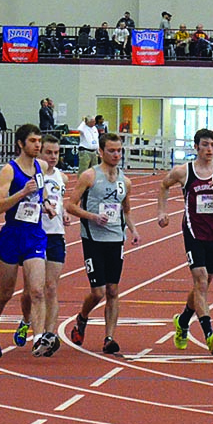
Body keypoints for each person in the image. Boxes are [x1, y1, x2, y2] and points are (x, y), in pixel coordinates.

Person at [0, 124, 55, 358]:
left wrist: (47, 205)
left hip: (34, 234)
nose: (38, 145)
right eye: (33, 141)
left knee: (37, 290)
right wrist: (22, 193)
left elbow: (41, 191)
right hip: (11, 235)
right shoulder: (9, 170)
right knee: (6, 292)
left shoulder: (41, 166)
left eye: (39, 141)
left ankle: (38, 339)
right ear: (21, 144)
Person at [67, 133, 141, 354]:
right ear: (101, 152)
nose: (116, 154)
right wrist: (92, 217)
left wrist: (134, 230)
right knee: (97, 292)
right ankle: (82, 317)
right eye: (111, 150)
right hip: (93, 239)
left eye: (119, 150)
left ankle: (109, 338)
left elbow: (126, 210)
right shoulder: (89, 176)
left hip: (115, 239)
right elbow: (70, 206)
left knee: (113, 290)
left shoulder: (125, 181)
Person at [158, 129, 213, 355]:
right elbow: (163, 186)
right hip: (193, 232)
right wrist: (162, 212)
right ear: (196, 146)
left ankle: (183, 321)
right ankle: (208, 334)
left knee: (205, 281)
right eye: (205, 145)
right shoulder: (183, 171)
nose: (209, 149)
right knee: (200, 281)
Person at [19, 134, 69, 357]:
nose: (53, 157)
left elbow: (60, 203)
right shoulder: (29, 176)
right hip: (34, 234)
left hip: (56, 235)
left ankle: (49, 335)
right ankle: (26, 319)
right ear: (39, 153)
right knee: (31, 290)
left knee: (50, 287)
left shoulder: (62, 178)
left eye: (56, 153)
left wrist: (64, 213)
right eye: (48, 152)